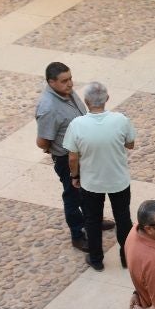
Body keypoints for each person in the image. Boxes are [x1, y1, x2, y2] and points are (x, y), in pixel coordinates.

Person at [63, 82, 135, 271]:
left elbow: (72, 157)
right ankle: (126, 257)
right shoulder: (121, 120)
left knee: (92, 220)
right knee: (123, 218)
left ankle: (96, 259)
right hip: (118, 180)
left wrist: (75, 175)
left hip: (91, 182)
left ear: (86, 101)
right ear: (107, 98)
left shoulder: (77, 125)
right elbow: (130, 144)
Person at [36, 61, 102, 253]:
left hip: (83, 154)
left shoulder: (67, 93)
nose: (70, 84)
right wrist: (54, 149)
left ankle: (93, 221)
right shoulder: (48, 108)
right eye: (64, 81)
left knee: (88, 190)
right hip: (67, 158)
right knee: (72, 195)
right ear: (51, 82)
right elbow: (42, 142)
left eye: (70, 78)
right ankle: (77, 234)